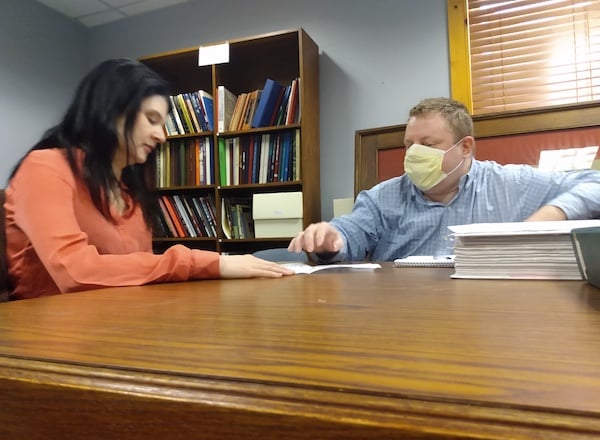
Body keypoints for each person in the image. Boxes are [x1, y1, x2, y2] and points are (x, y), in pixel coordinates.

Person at [5, 58, 293, 300]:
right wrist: (209, 263)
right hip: (49, 336)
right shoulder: (44, 168)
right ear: (111, 110)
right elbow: (74, 273)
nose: (162, 136)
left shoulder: (130, 189)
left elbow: (137, 270)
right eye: (151, 119)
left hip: (116, 322)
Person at [288, 97, 600, 262]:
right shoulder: (382, 197)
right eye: (409, 144)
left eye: (428, 143)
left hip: (488, 317)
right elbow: (351, 232)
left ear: (465, 147)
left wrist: (552, 214)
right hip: (403, 317)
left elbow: (594, 183)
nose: (413, 153)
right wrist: (333, 238)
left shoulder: (511, 183)